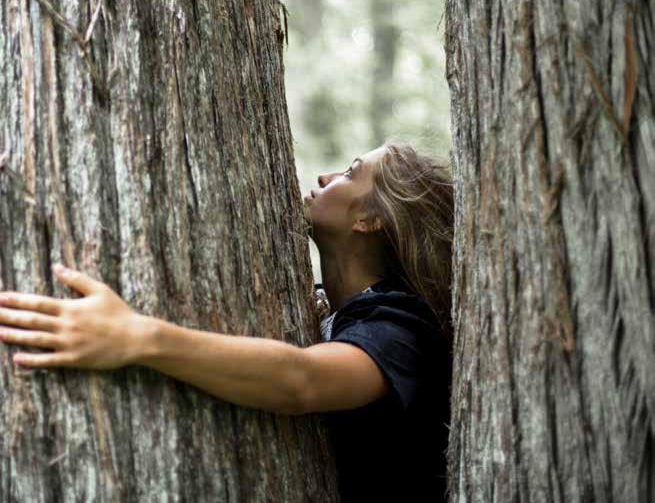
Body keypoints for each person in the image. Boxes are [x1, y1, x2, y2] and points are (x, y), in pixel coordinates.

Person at [0, 140, 454, 501]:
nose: (325, 177)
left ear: (371, 219)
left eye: (351, 173)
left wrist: (137, 336)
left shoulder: (403, 330)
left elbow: (301, 381)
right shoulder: (336, 313)